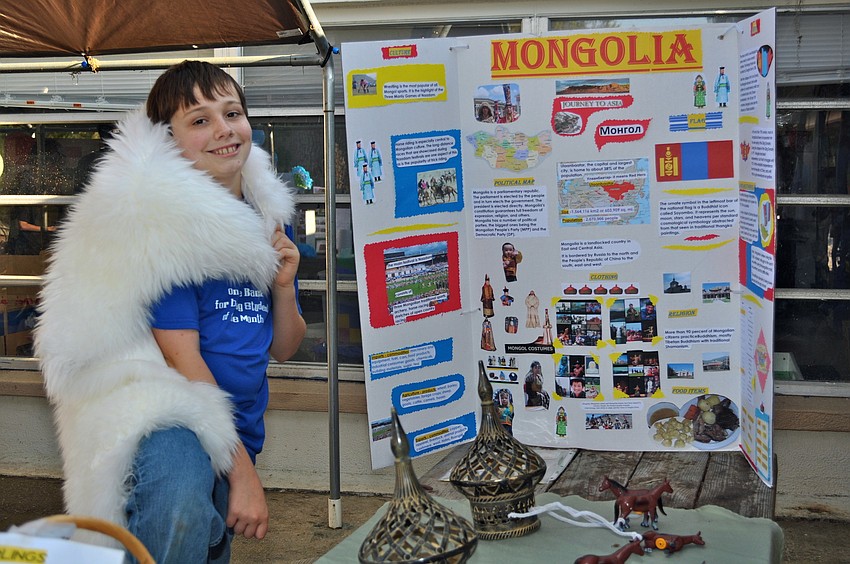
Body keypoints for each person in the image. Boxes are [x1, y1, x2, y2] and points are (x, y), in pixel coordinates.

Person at [34, 60, 306, 563]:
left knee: (197, 547)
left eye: (232, 112)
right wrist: (244, 473)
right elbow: (184, 362)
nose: (224, 129)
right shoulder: (168, 225)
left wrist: (284, 288)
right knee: (178, 514)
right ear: (166, 141)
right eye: (200, 121)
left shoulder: (262, 221)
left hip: (239, 427)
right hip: (177, 425)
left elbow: (284, 348)